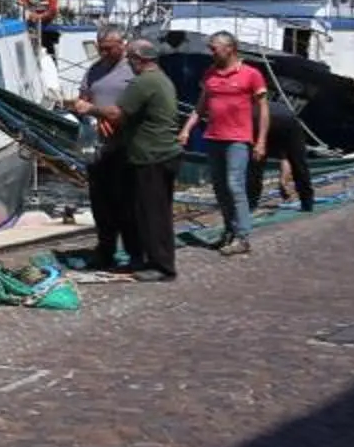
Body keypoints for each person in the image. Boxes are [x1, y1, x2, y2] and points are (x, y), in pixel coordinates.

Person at [178, 32, 269, 254]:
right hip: (214, 138)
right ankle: (229, 229)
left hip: (238, 139)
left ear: (230, 49)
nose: (211, 52)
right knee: (220, 188)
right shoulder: (210, 74)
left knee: (235, 185)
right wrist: (186, 129)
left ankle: (243, 237)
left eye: (214, 48)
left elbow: (263, 109)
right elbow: (200, 107)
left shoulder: (251, 74)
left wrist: (261, 141)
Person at [105, 39, 181, 281]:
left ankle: (162, 266)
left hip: (151, 156)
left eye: (130, 58)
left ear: (139, 59)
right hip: (164, 154)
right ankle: (147, 259)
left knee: (153, 213)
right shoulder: (162, 78)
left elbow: (117, 114)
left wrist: (89, 109)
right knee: (150, 210)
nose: (128, 63)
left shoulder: (143, 82)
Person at [69, 26, 136, 268]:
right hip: (96, 142)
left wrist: (106, 115)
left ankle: (134, 251)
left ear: (122, 45)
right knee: (100, 199)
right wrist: (89, 112)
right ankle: (105, 248)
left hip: (126, 142)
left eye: (109, 49)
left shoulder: (133, 69)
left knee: (126, 199)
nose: (104, 53)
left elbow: (139, 105)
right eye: (101, 49)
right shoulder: (94, 70)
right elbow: (82, 100)